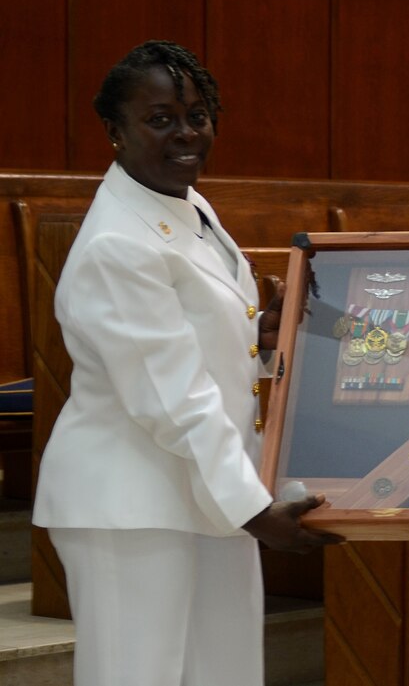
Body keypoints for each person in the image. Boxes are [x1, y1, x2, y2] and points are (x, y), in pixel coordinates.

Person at [32, 40, 343, 686]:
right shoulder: (119, 240)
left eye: (197, 115)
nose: (186, 134)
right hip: (132, 504)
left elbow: (199, 339)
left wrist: (264, 330)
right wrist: (254, 511)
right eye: (161, 118)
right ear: (115, 131)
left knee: (224, 673)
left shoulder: (184, 204)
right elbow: (170, 394)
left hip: (206, 493)